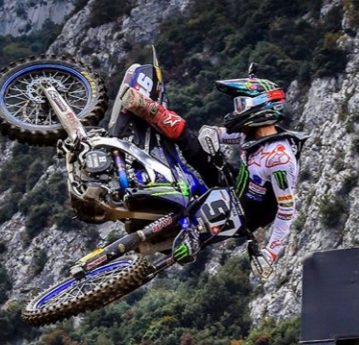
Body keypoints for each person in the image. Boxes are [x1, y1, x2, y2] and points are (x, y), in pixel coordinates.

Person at [118, 75, 304, 279]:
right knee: (191, 144)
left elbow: (286, 210)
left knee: (186, 239)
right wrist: (210, 135)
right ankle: (149, 109)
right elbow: (216, 133)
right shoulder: (251, 134)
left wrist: (270, 253)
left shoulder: (280, 159)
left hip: (244, 215)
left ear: (262, 107)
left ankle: (143, 267)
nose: (236, 111)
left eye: (241, 104)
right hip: (233, 185)